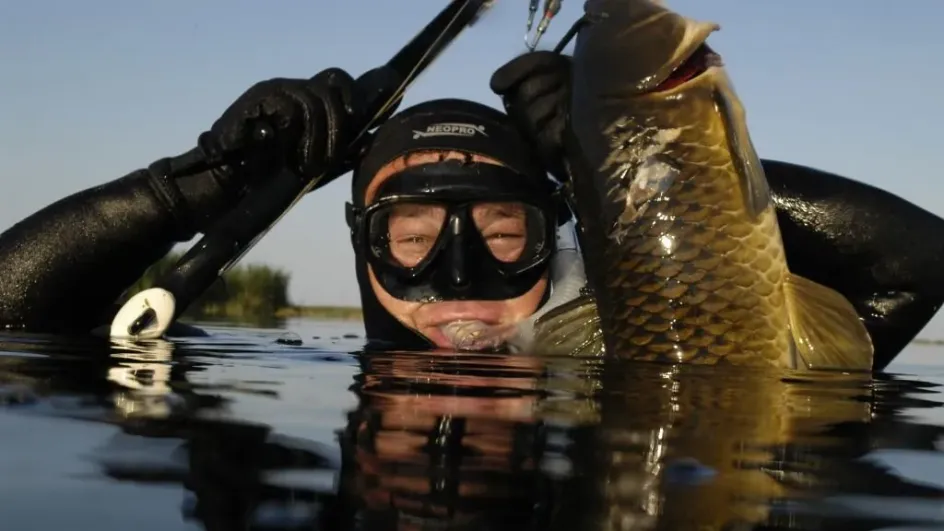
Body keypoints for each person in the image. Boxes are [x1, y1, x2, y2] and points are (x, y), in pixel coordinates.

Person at [0, 53, 940, 372]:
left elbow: (920, 262)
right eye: (408, 239)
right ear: (363, 250)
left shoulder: (643, 359)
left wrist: (643, 162)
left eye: (503, 235)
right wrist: (197, 185)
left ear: (556, 233)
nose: (460, 280)